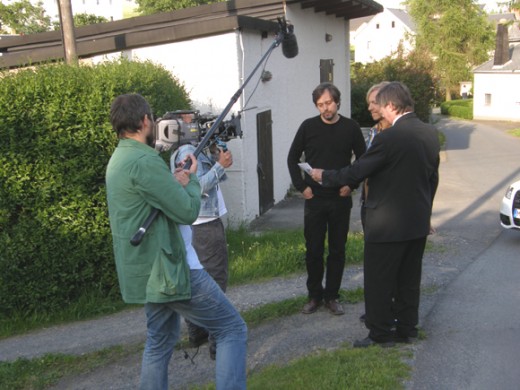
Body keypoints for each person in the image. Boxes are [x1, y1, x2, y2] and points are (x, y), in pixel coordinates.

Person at [105, 93, 247, 390]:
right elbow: (186, 211)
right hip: (170, 271)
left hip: (148, 272)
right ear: (145, 121)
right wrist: (193, 180)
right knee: (231, 329)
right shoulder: (144, 160)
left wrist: (177, 181)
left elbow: (148, 199)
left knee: (160, 341)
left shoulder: (120, 158)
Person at [310, 81, 440, 347]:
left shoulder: (389, 137)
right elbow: (432, 179)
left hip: (387, 224)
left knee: (379, 280)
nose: (378, 110)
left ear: (391, 106)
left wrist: (325, 176)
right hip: (416, 223)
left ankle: (380, 333)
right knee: (409, 279)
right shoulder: (429, 132)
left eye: (380, 106)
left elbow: (358, 171)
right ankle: (406, 329)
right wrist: (426, 214)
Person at [287, 82, 366, 316]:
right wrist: (302, 187)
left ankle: (332, 296)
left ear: (337, 102)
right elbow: (292, 158)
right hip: (315, 199)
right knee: (313, 250)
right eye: (320, 105)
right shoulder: (308, 127)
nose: (325, 108)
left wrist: (351, 184)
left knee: (337, 250)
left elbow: (363, 160)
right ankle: (314, 296)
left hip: (340, 199)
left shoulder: (351, 128)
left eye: (328, 103)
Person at [172, 120, 233, 360]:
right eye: (191, 120)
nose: (197, 123)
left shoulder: (189, 150)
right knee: (216, 281)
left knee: (196, 280)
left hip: (197, 224)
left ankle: (197, 332)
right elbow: (193, 187)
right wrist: (219, 167)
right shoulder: (188, 152)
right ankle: (218, 341)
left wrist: (219, 158)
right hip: (205, 225)